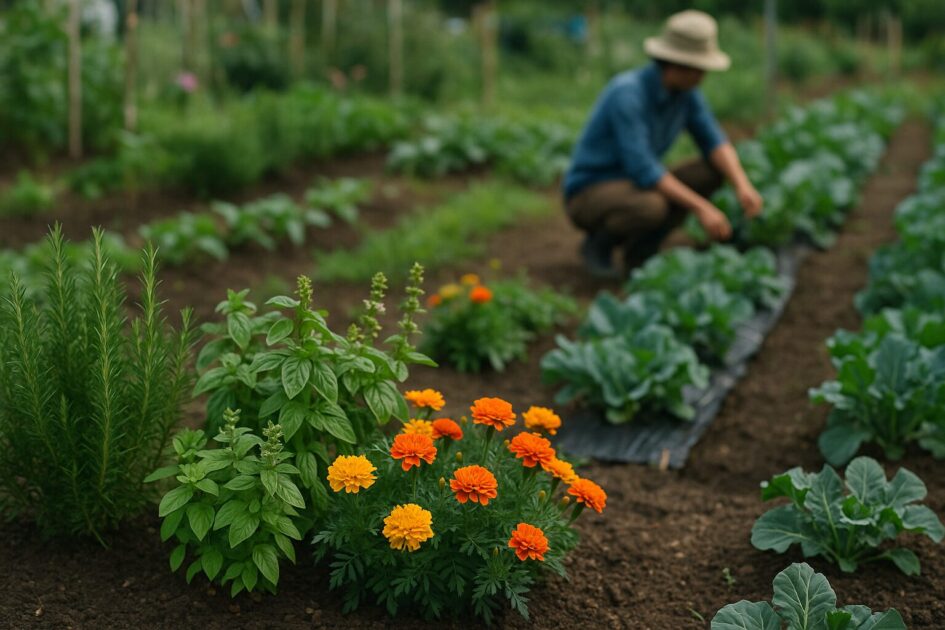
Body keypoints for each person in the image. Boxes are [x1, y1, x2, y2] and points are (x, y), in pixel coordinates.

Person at [563, 10, 763, 278]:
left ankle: (641, 251)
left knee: (710, 172)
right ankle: (599, 245)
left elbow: (714, 140)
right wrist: (701, 208)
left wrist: (742, 184)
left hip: (634, 184)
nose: (703, 76)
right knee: (651, 206)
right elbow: (643, 168)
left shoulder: (686, 94)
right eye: (700, 69)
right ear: (678, 65)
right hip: (591, 190)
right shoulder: (628, 93)